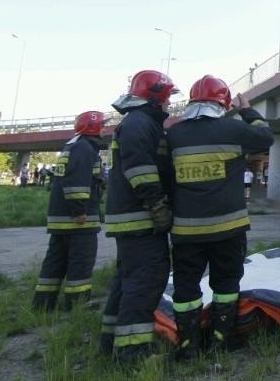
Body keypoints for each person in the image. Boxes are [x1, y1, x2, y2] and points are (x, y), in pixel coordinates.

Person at [166, 75, 274, 360]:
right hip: (228, 228)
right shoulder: (232, 129)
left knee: (186, 286)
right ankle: (221, 340)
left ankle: (188, 347)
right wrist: (247, 110)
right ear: (223, 103)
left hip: (186, 232)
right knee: (226, 284)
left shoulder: (174, 135)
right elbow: (266, 136)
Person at [101, 70, 178, 361]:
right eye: (168, 97)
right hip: (141, 217)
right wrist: (158, 206)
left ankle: (111, 342)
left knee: (127, 281)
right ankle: (133, 353)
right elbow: (140, 170)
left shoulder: (139, 122)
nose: (169, 103)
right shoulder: (139, 123)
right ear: (157, 95)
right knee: (145, 281)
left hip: (133, 218)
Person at [31, 111, 105, 312]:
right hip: (78, 219)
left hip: (60, 218)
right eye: (102, 125)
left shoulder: (72, 146)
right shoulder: (84, 148)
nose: (104, 129)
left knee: (55, 262)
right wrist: (79, 210)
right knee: (81, 261)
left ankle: (43, 303)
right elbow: (77, 183)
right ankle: (77, 303)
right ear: (94, 128)